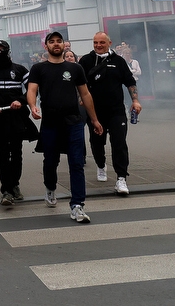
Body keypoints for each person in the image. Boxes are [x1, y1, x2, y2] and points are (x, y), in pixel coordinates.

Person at [27, 32, 103, 223]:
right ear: (46, 47)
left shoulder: (75, 68)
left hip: (74, 122)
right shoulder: (38, 68)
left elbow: (85, 94)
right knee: (50, 161)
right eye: (51, 42)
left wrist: (94, 119)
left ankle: (77, 205)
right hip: (50, 122)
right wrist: (33, 106)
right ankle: (50, 188)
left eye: (58, 41)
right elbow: (31, 90)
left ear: (64, 45)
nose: (55, 44)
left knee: (76, 163)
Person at [78, 32, 141, 195]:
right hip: (94, 112)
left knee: (119, 143)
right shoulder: (86, 61)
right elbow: (79, 83)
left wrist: (135, 100)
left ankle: (121, 178)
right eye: (95, 42)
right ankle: (101, 165)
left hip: (116, 111)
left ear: (109, 43)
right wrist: (79, 98)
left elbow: (130, 82)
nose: (98, 45)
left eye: (101, 42)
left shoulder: (118, 61)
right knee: (97, 143)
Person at [0, 41, 37, 206]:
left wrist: (21, 101)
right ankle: (6, 190)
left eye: (3, 50)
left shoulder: (20, 70)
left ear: (8, 51)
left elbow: (31, 89)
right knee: (2, 154)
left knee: (16, 153)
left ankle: (15, 185)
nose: (0, 52)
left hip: (16, 117)